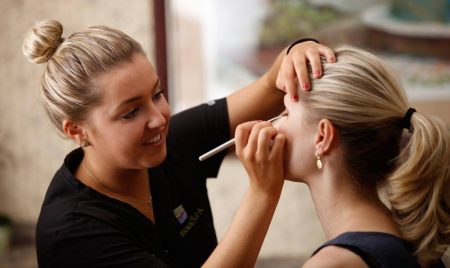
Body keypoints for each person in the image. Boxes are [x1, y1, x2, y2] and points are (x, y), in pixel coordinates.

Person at [22, 20, 334, 267]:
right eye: (130, 112)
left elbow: (270, 86)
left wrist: (300, 49)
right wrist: (263, 193)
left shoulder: (170, 142)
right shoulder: (73, 234)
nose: (158, 118)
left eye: (157, 94)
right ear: (77, 131)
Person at [274, 46, 450, 267]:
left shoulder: (333, 264)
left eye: (286, 113)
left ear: (322, 137)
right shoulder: (411, 245)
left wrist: (260, 193)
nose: (272, 125)